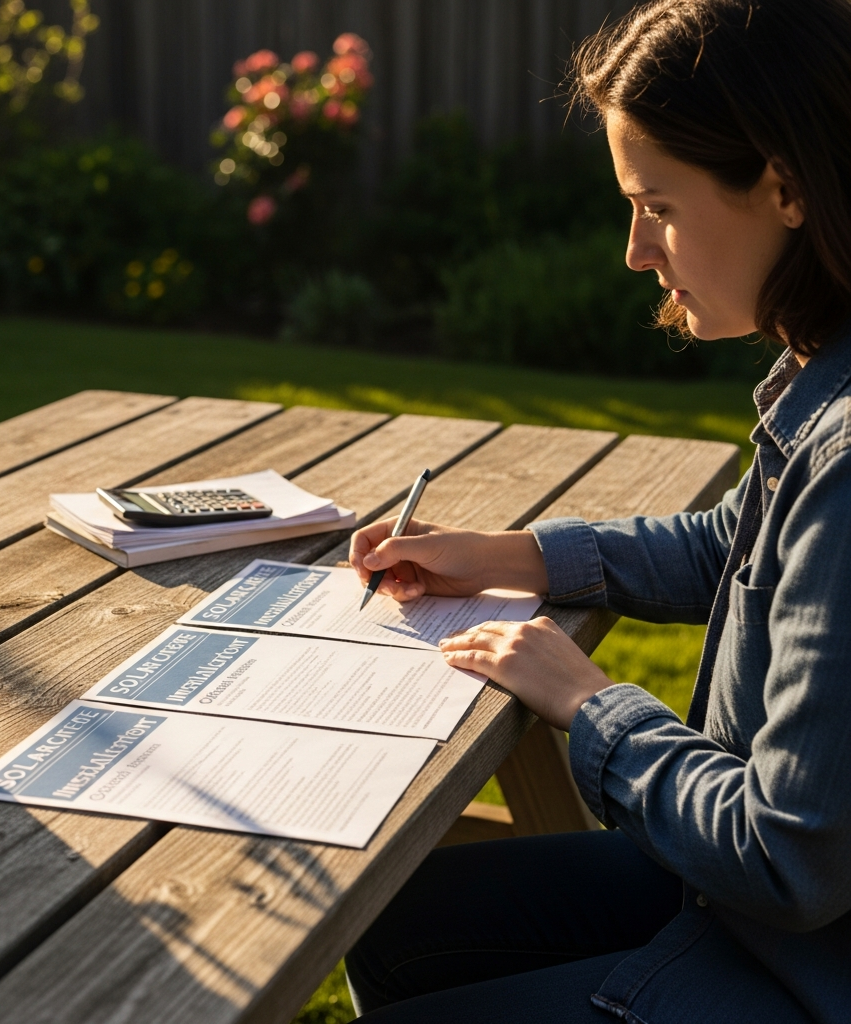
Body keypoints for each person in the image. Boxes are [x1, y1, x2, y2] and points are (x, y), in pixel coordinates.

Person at [343, 1, 851, 1021]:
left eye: (655, 205)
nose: (634, 249)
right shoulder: (822, 371)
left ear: (784, 186)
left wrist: (590, 703)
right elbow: (738, 549)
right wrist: (507, 553)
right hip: (753, 909)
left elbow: (788, 857)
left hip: (801, 956)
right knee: (390, 923)